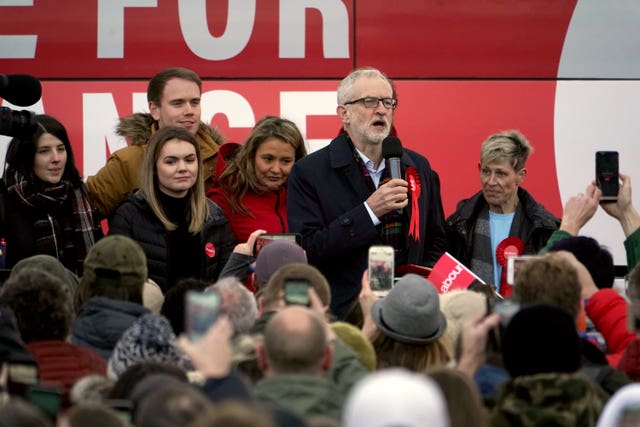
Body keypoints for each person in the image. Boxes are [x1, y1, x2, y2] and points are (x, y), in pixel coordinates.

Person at [287, 67, 447, 318]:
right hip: (346, 314)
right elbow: (308, 250)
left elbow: (436, 239)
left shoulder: (418, 166)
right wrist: (369, 211)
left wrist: (420, 283)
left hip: (408, 311)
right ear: (344, 114)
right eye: (369, 102)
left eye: (388, 102)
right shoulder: (309, 172)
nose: (381, 109)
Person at [109, 126, 235, 292]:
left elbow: (226, 284)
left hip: (203, 316)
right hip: (148, 316)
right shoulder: (129, 216)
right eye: (171, 161)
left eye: (190, 160)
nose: (183, 168)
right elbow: (113, 282)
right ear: (154, 167)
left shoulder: (215, 216)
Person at [86, 67, 224, 218]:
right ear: (155, 110)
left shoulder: (223, 161)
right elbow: (82, 214)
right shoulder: (127, 163)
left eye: (195, 102)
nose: (189, 110)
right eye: (178, 103)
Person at [446, 130, 559, 295]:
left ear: (521, 176)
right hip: (472, 317)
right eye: (486, 171)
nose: (491, 182)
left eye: (501, 173)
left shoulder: (544, 229)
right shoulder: (457, 224)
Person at [0, 114, 101, 274]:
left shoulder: (77, 193)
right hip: (20, 295)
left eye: (61, 149)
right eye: (44, 151)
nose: (56, 158)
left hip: (77, 296)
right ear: (27, 156)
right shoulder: (6, 198)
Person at [208, 115, 306, 243]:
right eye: (268, 159)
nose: (276, 169)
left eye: (286, 161)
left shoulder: (304, 196)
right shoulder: (224, 198)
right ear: (251, 155)